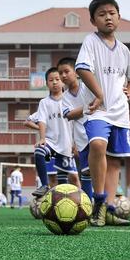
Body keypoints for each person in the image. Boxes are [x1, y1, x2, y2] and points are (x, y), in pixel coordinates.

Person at [75, 0, 130, 227]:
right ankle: (99, 202)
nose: (108, 17)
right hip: (97, 109)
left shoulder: (123, 50)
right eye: (102, 14)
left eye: (112, 13)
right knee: (98, 145)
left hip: (120, 112)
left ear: (119, 17)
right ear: (93, 20)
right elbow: (81, 68)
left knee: (114, 160)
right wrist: (99, 94)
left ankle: (109, 209)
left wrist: (129, 92)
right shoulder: (90, 41)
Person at [31, 68, 80, 197]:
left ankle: (82, 204)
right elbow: (41, 120)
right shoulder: (44, 103)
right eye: (51, 80)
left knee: (72, 178)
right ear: (47, 83)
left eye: (57, 79)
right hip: (51, 142)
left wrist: (76, 143)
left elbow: (76, 122)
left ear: (63, 82)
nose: (54, 82)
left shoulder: (70, 99)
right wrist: (42, 138)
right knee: (39, 151)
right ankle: (44, 185)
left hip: (67, 144)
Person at [57, 57, 94, 199]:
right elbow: (69, 115)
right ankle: (88, 205)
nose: (63, 76)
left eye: (66, 71)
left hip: (96, 135)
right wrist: (89, 106)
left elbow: (99, 102)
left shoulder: (88, 87)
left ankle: (104, 203)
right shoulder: (64, 97)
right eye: (61, 73)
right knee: (85, 172)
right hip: (81, 140)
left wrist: (90, 106)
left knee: (101, 170)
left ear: (77, 73)